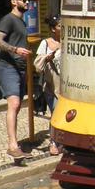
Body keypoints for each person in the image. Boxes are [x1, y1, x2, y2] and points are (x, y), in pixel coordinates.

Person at [0, 0, 31, 160]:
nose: (27, 2)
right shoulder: (8, 19)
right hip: (8, 67)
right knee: (14, 103)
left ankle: (14, 141)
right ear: (14, 2)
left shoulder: (22, 22)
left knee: (16, 106)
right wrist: (15, 49)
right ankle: (12, 145)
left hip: (21, 68)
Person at [34, 15, 63, 156]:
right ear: (53, 29)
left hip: (66, 85)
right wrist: (48, 57)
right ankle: (53, 142)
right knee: (55, 113)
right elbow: (37, 64)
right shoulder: (45, 43)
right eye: (59, 26)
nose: (62, 28)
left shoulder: (68, 41)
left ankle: (62, 141)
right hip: (51, 84)